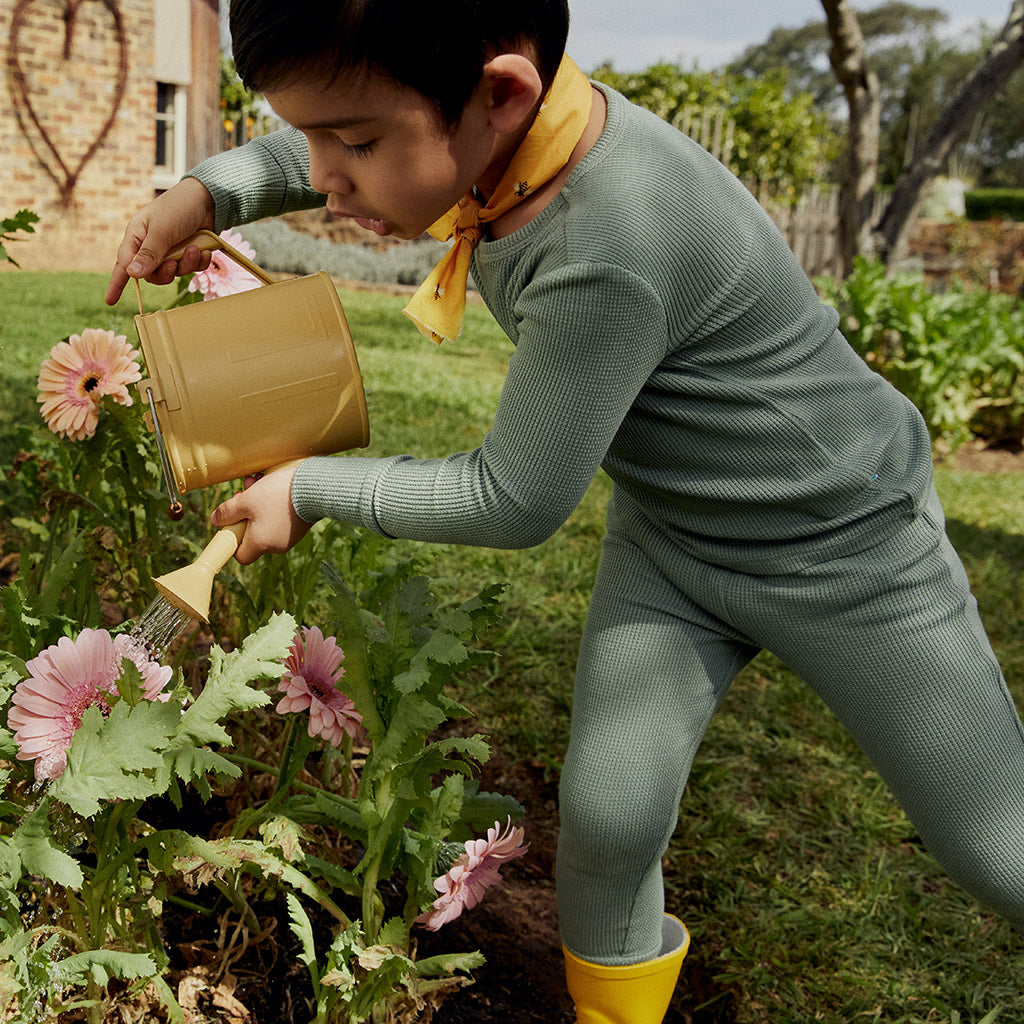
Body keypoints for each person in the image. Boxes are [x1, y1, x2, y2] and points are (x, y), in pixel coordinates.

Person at [106, 2, 1024, 1019]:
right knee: (610, 817)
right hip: (676, 537)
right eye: (317, 135)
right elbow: (316, 143)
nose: (325, 174)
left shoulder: (607, 240)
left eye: (356, 143)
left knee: (994, 847)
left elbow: (514, 497)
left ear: (501, 93)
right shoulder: (519, 151)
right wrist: (204, 192)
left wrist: (310, 488)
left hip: (847, 542)